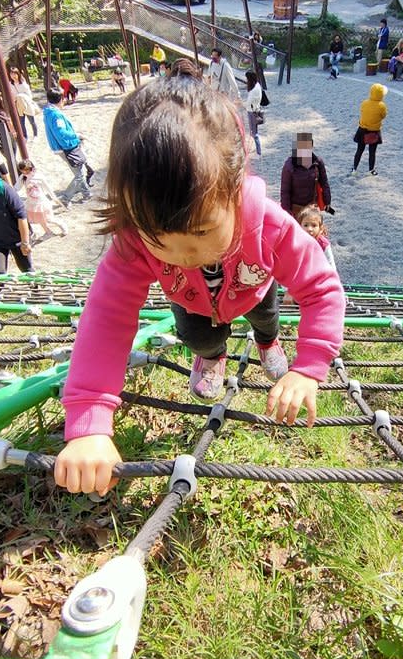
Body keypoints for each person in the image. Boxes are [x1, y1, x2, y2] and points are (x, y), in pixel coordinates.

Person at [53, 77, 345, 496]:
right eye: (159, 237)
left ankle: (267, 345)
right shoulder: (134, 237)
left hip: (253, 287)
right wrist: (88, 419)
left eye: (202, 230)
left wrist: (310, 366)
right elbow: (107, 318)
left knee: (266, 319)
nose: (183, 253)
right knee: (198, 336)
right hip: (189, 299)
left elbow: (321, 289)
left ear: (233, 189)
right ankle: (213, 358)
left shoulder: (270, 225)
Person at [43, 89, 93, 208]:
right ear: (60, 99)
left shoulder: (48, 112)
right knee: (79, 174)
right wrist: (77, 136)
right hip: (66, 146)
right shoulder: (56, 115)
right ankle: (66, 198)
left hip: (60, 146)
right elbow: (61, 133)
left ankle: (87, 193)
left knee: (78, 171)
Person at [280, 132, 332, 220]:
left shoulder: (317, 162)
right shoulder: (289, 166)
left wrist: (327, 201)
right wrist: (286, 211)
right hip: (295, 209)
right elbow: (285, 191)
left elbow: (324, 183)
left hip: (312, 207)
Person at [14, 158, 68, 238]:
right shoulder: (23, 178)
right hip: (31, 203)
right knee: (39, 219)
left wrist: (54, 198)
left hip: (41, 202)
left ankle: (63, 226)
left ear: (31, 168)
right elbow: (16, 187)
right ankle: (48, 232)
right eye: (22, 170)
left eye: (27, 170)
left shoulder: (39, 177)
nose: (25, 172)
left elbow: (48, 188)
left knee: (49, 219)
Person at [350, 83, 388, 177]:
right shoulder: (382, 105)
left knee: (359, 150)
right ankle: (371, 170)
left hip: (362, 130)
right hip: (374, 131)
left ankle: (354, 169)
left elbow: (362, 112)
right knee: (372, 152)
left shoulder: (364, 103)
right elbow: (383, 116)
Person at [296, 205, 336, 271]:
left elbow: (331, 264)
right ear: (300, 225)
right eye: (305, 225)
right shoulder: (297, 240)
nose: (309, 229)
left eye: (314, 225)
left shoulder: (323, 244)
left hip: (318, 273)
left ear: (320, 228)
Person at [8, 67, 40, 139]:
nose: (13, 76)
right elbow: (11, 94)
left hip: (26, 103)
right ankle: (25, 136)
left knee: (32, 120)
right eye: (11, 74)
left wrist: (22, 97)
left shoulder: (23, 83)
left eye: (14, 74)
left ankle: (35, 135)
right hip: (18, 104)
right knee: (21, 122)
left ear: (18, 74)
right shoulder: (10, 84)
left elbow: (29, 94)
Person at [244, 70, 263, 156]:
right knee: (254, 132)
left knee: (254, 134)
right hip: (256, 110)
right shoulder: (257, 85)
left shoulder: (253, 91)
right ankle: (256, 150)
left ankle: (258, 152)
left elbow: (248, 103)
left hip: (252, 113)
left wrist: (240, 103)